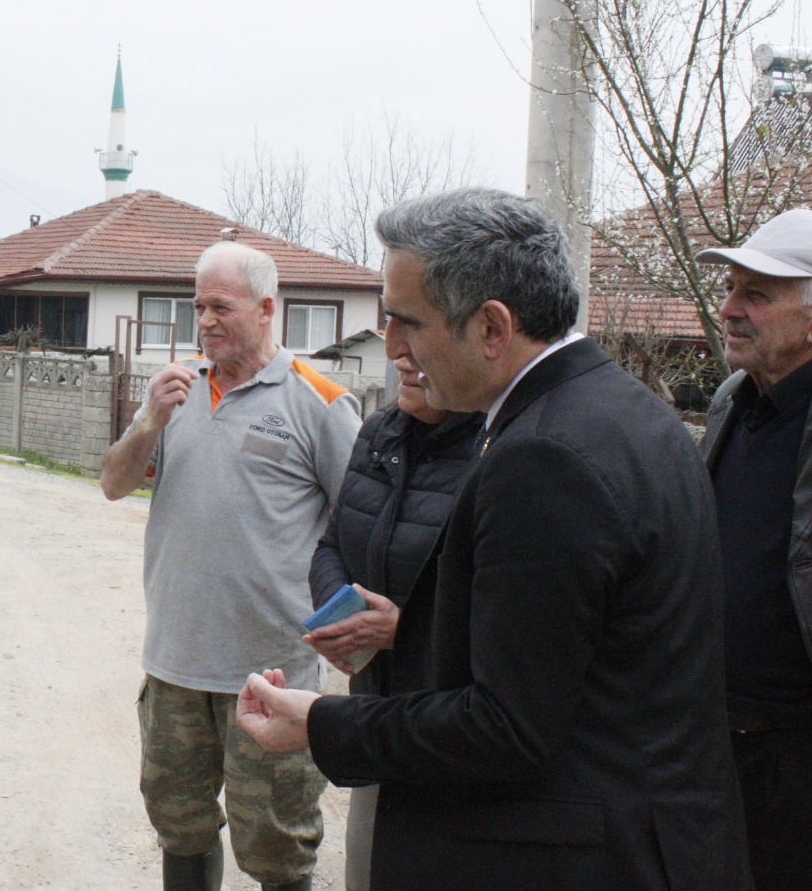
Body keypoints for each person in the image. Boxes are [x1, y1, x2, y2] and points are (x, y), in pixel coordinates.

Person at [235, 188, 749, 891]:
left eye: (407, 322)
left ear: (492, 326)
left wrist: (325, 722)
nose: (392, 347)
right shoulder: (625, 411)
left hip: (573, 858)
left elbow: (507, 726)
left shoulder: (544, 458)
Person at [101, 241, 361, 891]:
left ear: (267, 308)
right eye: (198, 307)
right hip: (174, 667)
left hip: (271, 674)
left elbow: (362, 527)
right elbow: (112, 483)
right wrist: (149, 424)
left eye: (221, 306)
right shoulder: (175, 391)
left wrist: (343, 628)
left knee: (278, 847)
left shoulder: (319, 401)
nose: (205, 320)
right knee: (179, 826)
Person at [306, 355, 483, 891]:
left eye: (418, 332)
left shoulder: (498, 449)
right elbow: (332, 544)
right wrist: (344, 620)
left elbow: (512, 613)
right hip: (379, 717)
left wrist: (404, 629)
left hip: (457, 734)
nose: (400, 356)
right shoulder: (380, 431)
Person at [696, 208, 812, 891]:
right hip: (714, 746)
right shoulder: (731, 403)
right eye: (731, 289)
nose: (729, 309)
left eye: (756, 294)